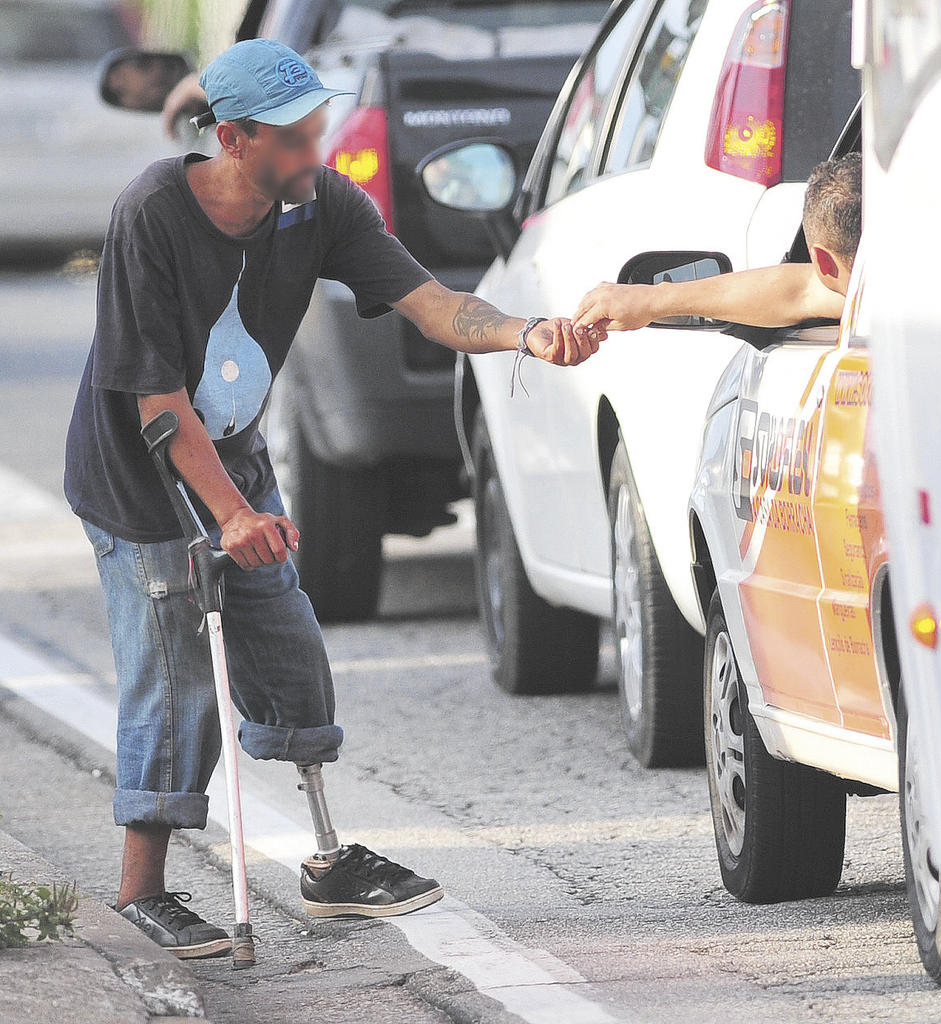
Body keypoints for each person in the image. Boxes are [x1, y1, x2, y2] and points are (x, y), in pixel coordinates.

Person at [65, 38, 604, 959]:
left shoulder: (322, 204)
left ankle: (326, 863)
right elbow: (155, 402)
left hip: (234, 461)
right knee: (177, 669)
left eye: (318, 129)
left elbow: (432, 305)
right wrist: (228, 516)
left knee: (290, 648)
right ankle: (141, 889)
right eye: (294, 137)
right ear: (232, 139)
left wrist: (528, 333)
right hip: (138, 477)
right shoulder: (152, 210)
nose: (316, 151)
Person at [574, 153, 859, 333]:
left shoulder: (871, 297)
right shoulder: (878, 289)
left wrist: (651, 301)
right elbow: (798, 290)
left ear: (822, 261)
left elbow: (801, 291)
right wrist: (650, 301)